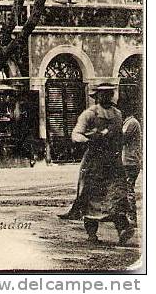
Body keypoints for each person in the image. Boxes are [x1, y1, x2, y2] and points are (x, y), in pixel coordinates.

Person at [70, 84, 134, 245]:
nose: (107, 97)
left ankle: (123, 230)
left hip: (113, 162)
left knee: (117, 196)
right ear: (97, 96)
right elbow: (76, 134)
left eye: (109, 93)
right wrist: (90, 139)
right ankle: (92, 235)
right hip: (94, 162)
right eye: (103, 94)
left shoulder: (118, 114)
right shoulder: (89, 114)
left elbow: (120, 136)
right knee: (91, 197)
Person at [122, 109, 142, 225]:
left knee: (128, 189)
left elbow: (122, 139)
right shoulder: (128, 122)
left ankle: (132, 218)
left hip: (130, 161)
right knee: (126, 188)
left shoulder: (131, 123)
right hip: (129, 161)